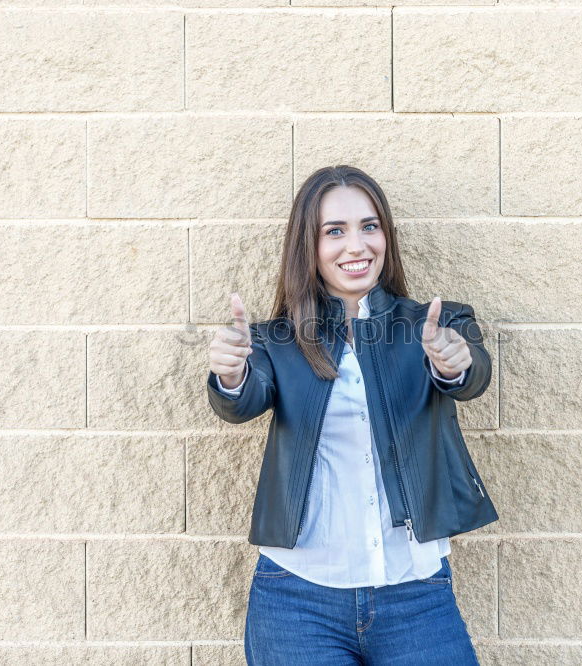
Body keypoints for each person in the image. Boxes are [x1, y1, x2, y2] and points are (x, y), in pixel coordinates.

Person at [206, 165, 498, 665]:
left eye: (369, 226)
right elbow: (243, 401)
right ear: (309, 247)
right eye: (334, 231)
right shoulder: (277, 341)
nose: (356, 246)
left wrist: (453, 361)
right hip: (297, 597)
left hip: (415, 593)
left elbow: (470, 375)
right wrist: (231, 374)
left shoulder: (438, 323)